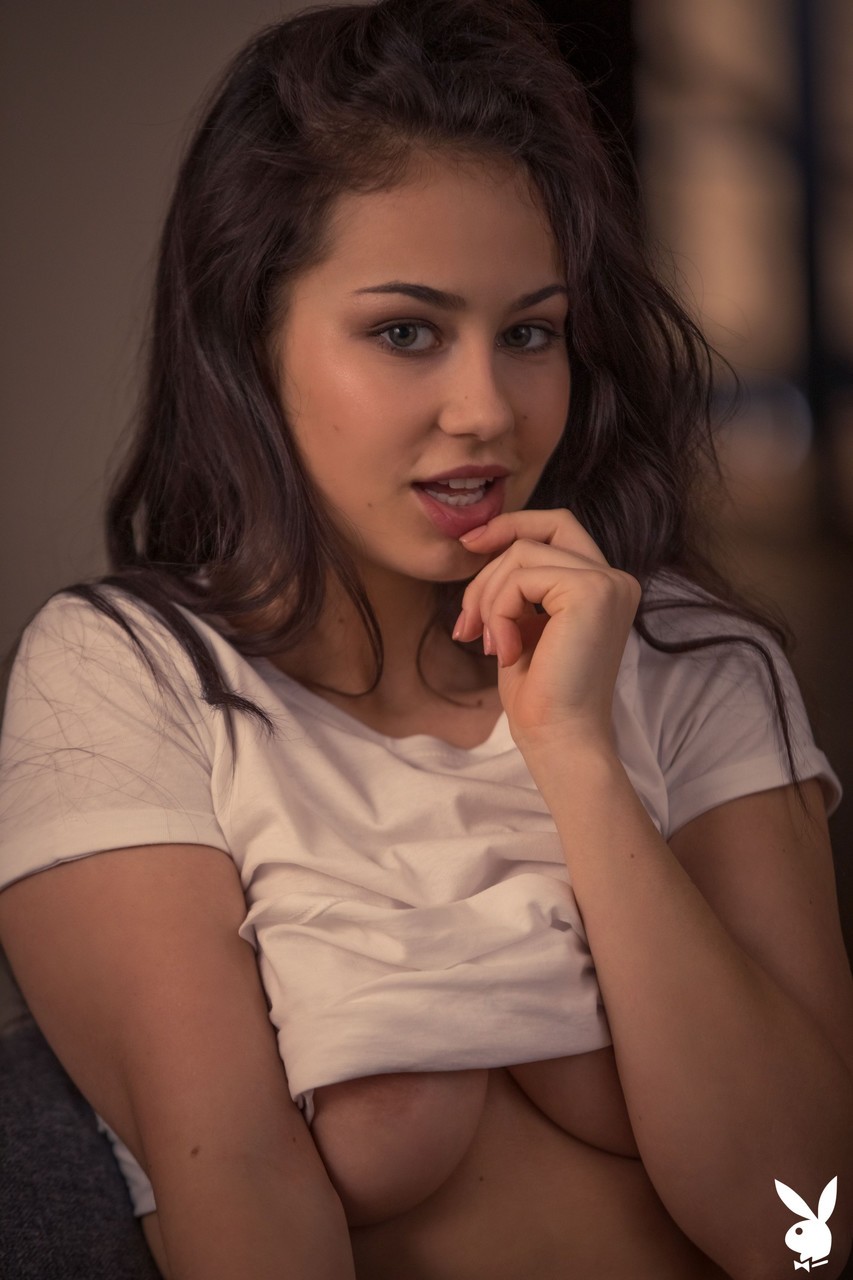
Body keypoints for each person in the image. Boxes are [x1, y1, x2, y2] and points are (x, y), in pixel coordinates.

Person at [0, 0, 851, 1276]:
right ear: (250, 336)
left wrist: (574, 752)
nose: (486, 408)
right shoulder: (130, 678)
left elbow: (804, 1230)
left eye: (530, 333)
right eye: (405, 331)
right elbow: (233, 1199)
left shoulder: (693, 660)